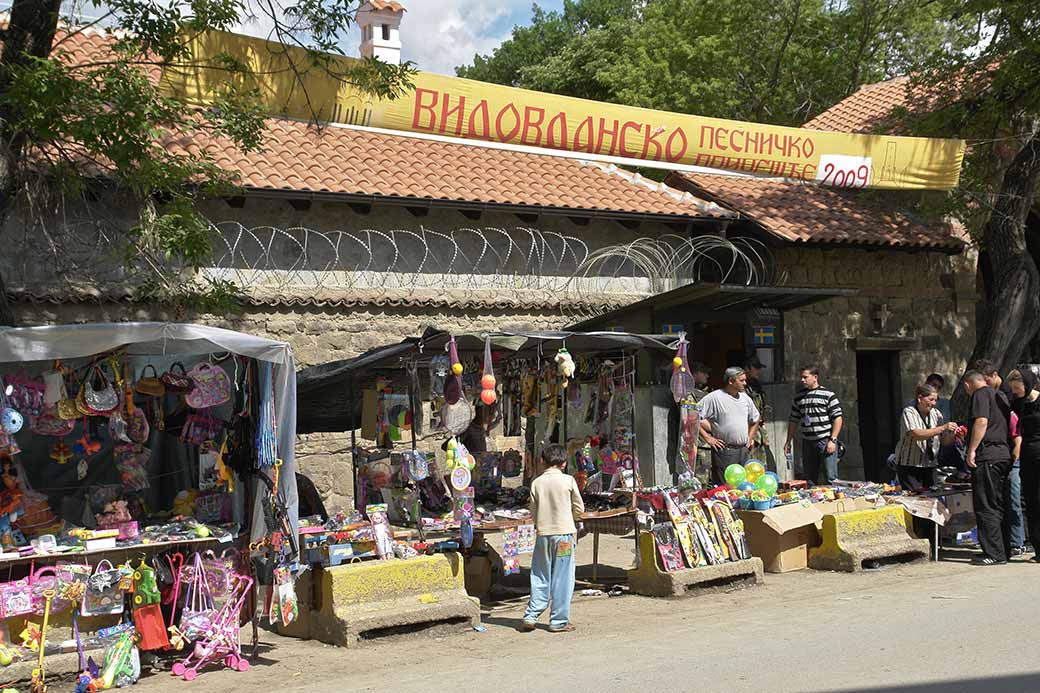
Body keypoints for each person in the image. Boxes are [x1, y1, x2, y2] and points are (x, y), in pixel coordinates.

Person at [520, 444, 585, 633]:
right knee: (562, 578)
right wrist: (571, 517)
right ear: (564, 463)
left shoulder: (536, 483)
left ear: (542, 461)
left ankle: (531, 615)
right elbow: (579, 509)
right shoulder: (568, 481)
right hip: (564, 536)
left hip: (543, 536)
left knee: (540, 575)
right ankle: (558, 620)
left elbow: (533, 511)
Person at [973, 362, 1026, 554]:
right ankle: (1009, 544)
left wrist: (1015, 461)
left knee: (1011, 502)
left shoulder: (1004, 400)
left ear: (994, 375)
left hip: (1008, 458)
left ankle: (1015, 543)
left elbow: (1016, 435)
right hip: (1006, 457)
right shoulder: (998, 397)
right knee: (1004, 501)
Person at [963, 370, 1013, 565]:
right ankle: (1003, 549)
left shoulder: (980, 394)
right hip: (1002, 454)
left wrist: (972, 450)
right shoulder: (998, 394)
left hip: (988, 456)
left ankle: (993, 553)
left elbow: (982, 421)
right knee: (999, 503)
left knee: (985, 505)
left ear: (968, 385)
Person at [698, 367, 761, 486]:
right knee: (726, 487)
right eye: (741, 381)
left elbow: (756, 419)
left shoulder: (745, 398)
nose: (745, 383)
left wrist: (750, 437)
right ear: (731, 381)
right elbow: (692, 415)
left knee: (743, 486)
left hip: (743, 450)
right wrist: (707, 438)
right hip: (724, 451)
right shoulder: (715, 397)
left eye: (745, 380)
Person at [893, 384, 958, 491]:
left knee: (931, 498)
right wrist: (942, 428)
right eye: (931, 399)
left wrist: (954, 435)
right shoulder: (909, 412)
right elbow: (916, 434)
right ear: (920, 398)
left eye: (935, 400)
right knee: (914, 498)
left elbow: (944, 441)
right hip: (910, 465)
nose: (934, 403)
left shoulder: (936, 414)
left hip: (929, 464)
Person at [785, 365, 844, 484]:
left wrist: (833, 440)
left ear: (815, 377)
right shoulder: (798, 397)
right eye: (801, 377)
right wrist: (788, 441)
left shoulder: (828, 395)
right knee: (810, 479)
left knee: (831, 478)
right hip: (808, 442)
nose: (802, 380)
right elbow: (793, 420)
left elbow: (838, 418)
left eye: (805, 377)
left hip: (825, 441)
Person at [1009, 369, 1040, 561]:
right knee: (1031, 502)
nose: (1014, 391)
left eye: (1016, 387)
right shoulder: (1019, 403)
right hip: (1027, 457)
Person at [744, 356, 773, 468]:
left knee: (761, 463)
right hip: (748, 430)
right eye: (755, 368)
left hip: (758, 430)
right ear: (747, 368)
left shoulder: (756, 385)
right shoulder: (741, 387)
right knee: (750, 463)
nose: (758, 371)